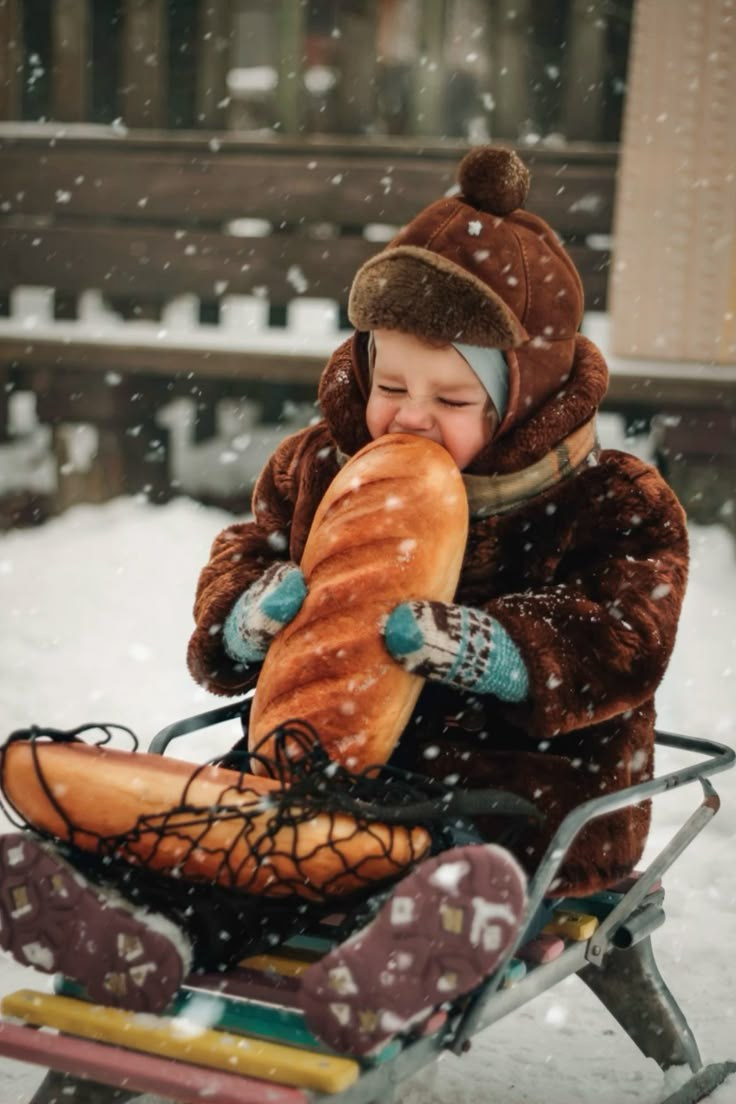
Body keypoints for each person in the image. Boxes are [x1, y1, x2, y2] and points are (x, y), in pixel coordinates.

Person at [0, 147, 688, 1057]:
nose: (408, 417)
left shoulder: (609, 500)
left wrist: (501, 649)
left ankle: (401, 958)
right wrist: (247, 615)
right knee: (251, 847)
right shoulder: (320, 465)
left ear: (525, 401)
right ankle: (141, 927)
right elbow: (244, 551)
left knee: (456, 857)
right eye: (390, 385)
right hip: (316, 768)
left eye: (453, 398)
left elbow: (630, 634)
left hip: (520, 788)